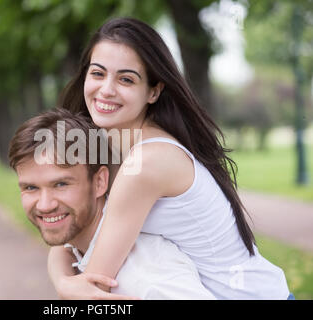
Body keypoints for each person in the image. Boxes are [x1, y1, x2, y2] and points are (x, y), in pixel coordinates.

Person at [49, 17, 291, 299]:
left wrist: (66, 284)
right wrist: (63, 282)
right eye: (98, 73)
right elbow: (66, 229)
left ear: (154, 91)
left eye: (126, 79)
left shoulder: (147, 163)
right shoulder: (111, 141)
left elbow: (96, 284)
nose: (106, 89)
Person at [8, 108, 216, 299]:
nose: (44, 205)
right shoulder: (80, 245)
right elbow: (62, 250)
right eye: (30, 188)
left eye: (61, 184)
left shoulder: (146, 276)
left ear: (99, 182)